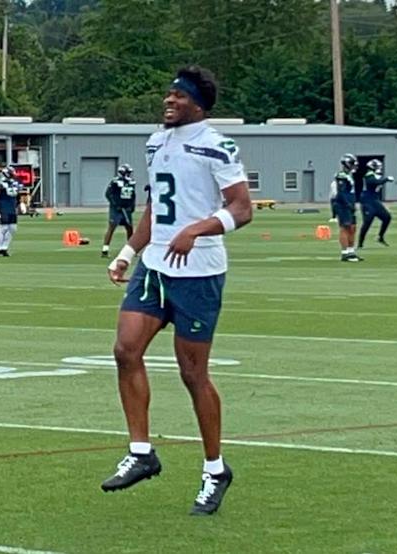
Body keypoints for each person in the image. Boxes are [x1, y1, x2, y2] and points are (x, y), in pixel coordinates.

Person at [103, 66, 252, 516]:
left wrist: (200, 229)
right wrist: (129, 251)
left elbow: (242, 209)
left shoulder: (217, 144)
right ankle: (143, 452)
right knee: (125, 350)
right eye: (167, 94)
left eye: (178, 96)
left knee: (192, 374)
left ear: (198, 105)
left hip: (199, 273)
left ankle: (214, 468)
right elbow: (155, 207)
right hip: (156, 267)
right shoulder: (156, 141)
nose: (168, 101)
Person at [101, 164, 137, 258]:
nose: (129, 174)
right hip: (116, 209)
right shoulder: (115, 181)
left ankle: (131, 250)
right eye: (127, 172)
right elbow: (108, 194)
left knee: (130, 228)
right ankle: (105, 250)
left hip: (127, 209)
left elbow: (133, 195)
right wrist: (115, 204)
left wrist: (132, 206)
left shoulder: (132, 182)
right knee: (112, 227)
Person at [332, 154, 362, 262]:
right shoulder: (341, 176)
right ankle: (344, 253)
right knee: (345, 227)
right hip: (343, 205)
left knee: (352, 228)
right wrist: (347, 204)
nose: (354, 166)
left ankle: (351, 251)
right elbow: (341, 193)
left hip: (350, 204)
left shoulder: (349, 175)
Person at [357, 159, 393, 249]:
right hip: (367, 201)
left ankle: (380, 237)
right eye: (377, 167)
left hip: (375, 200)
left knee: (387, 217)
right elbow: (373, 182)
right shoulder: (369, 175)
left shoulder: (376, 175)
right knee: (367, 222)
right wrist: (386, 179)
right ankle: (360, 243)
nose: (379, 168)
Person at [0, 166, 21, 257]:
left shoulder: (15, 183)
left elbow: (17, 196)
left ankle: (5, 247)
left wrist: (18, 206)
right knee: (3, 228)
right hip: (3, 207)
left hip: (12, 207)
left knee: (13, 228)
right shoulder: (0, 184)